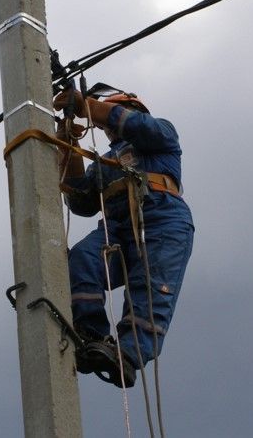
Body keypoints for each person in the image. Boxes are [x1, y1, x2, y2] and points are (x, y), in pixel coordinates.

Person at [53, 88, 194, 388]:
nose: (104, 128)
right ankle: (91, 333)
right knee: (84, 258)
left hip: (161, 220)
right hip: (117, 225)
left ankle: (127, 355)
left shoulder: (161, 134)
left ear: (133, 109)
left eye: (107, 118)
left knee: (150, 289)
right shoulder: (104, 162)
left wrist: (86, 106)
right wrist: (69, 146)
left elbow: (137, 127)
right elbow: (82, 202)